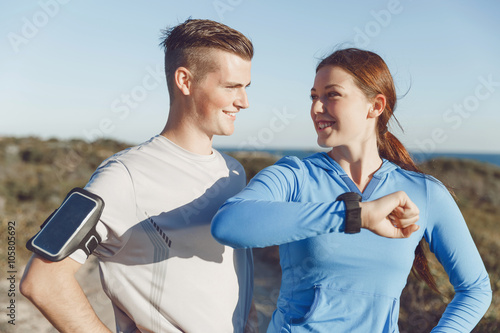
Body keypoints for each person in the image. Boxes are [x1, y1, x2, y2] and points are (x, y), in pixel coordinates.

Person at [211, 48, 492, 332]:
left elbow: (476, 289)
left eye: (331, 95)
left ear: (376, 106)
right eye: (313, 96)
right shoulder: (295, 175)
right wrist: (356, 215)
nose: (316, 108)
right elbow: (229, 224)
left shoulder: (424, 192)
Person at [21, 18, 257, 332]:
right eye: (231, 87)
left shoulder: (234, 172)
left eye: (245, 88)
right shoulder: (124, 176)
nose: (244, 102)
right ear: (185, 81)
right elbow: (42, 282)